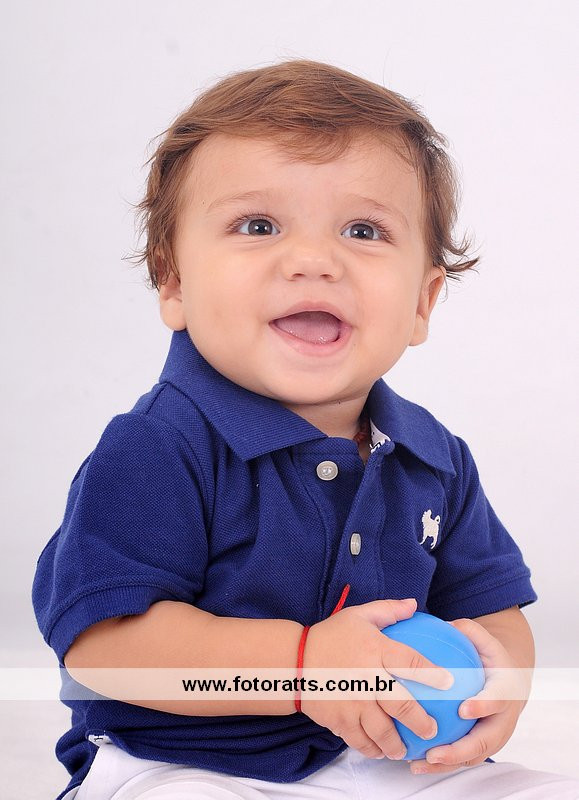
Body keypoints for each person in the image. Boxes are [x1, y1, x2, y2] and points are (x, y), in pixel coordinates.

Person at [32, 59, 579, 800]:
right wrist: (301, 666)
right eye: (258, 225)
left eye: (363, 230)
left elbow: (490, 607)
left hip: (391, 756)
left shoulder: (432, 456)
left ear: (422, 302)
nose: (315, 261)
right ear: (174, 282)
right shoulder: (160, 446)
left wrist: (500, 683)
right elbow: (104, 648)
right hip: (184, 759)